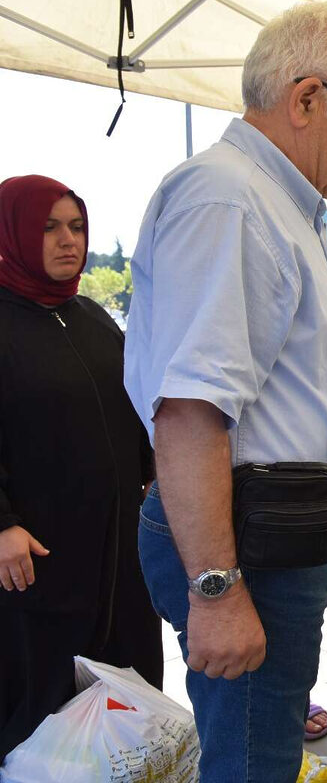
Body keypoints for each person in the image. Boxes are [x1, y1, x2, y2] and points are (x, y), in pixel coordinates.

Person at [124, 3, 327, 781]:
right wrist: (216, 588)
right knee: (253, 759)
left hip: (269, 531)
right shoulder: (230, 198)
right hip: (244, 539)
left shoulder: (270, 202)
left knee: (263, 744)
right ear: (308, 98)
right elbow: (188, 410)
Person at [0, 175, 161, 762]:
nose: (68, 241)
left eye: (76, 226)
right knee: (45, 702)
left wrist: (151, 469)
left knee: (127, 687)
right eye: (48, 227)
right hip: (39, 558)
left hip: (118, 553)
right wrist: (2, 524)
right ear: (13, 233)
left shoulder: (92, 317)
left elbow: (132, 402)